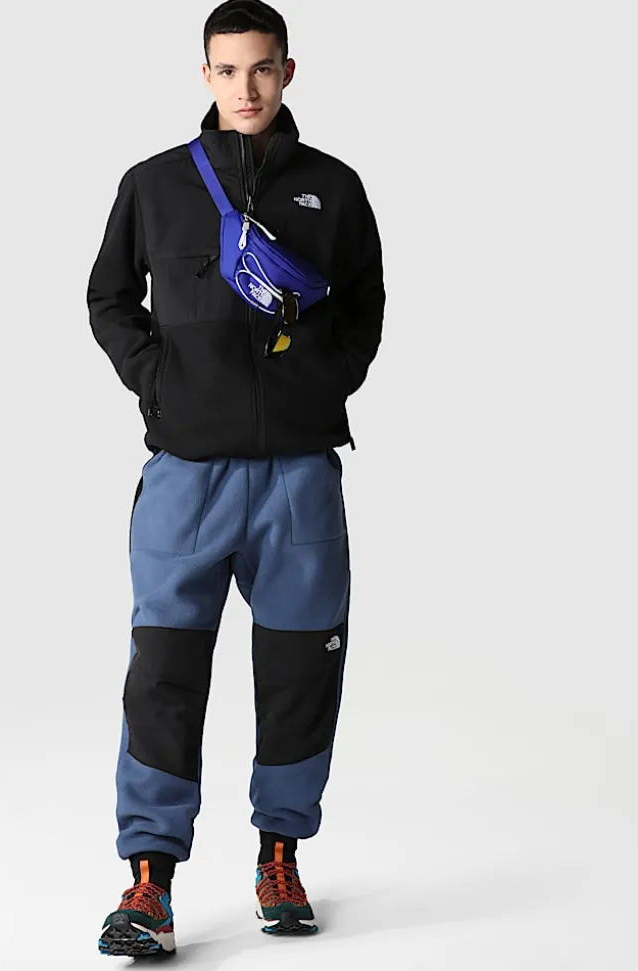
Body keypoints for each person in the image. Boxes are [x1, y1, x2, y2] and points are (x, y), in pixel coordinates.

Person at [87, 0, 384, 957]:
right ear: (205, 74)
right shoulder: (154, 184)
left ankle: (280, 857)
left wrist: (325, 383)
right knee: (164, 675)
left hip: (299, 477)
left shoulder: (334, 187)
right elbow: (108, 297)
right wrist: (157, 382)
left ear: (287, 71)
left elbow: (367, 303)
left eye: (261, 68)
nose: (245, 88)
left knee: (300, 674)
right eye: (227, 70)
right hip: (187, 478)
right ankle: (149, 884)